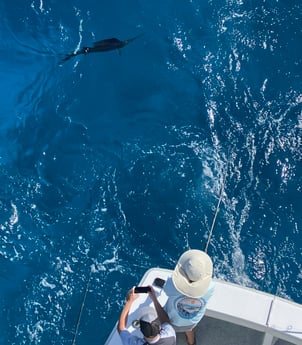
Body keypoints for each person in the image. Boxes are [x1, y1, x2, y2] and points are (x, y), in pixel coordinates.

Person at [164, 249, 214, 345]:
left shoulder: (172, 283)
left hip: (171, 319)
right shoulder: (210, 287)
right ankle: (191, 342)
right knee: (189, 329)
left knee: (166, 328)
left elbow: (166, 291)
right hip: (193, 320)